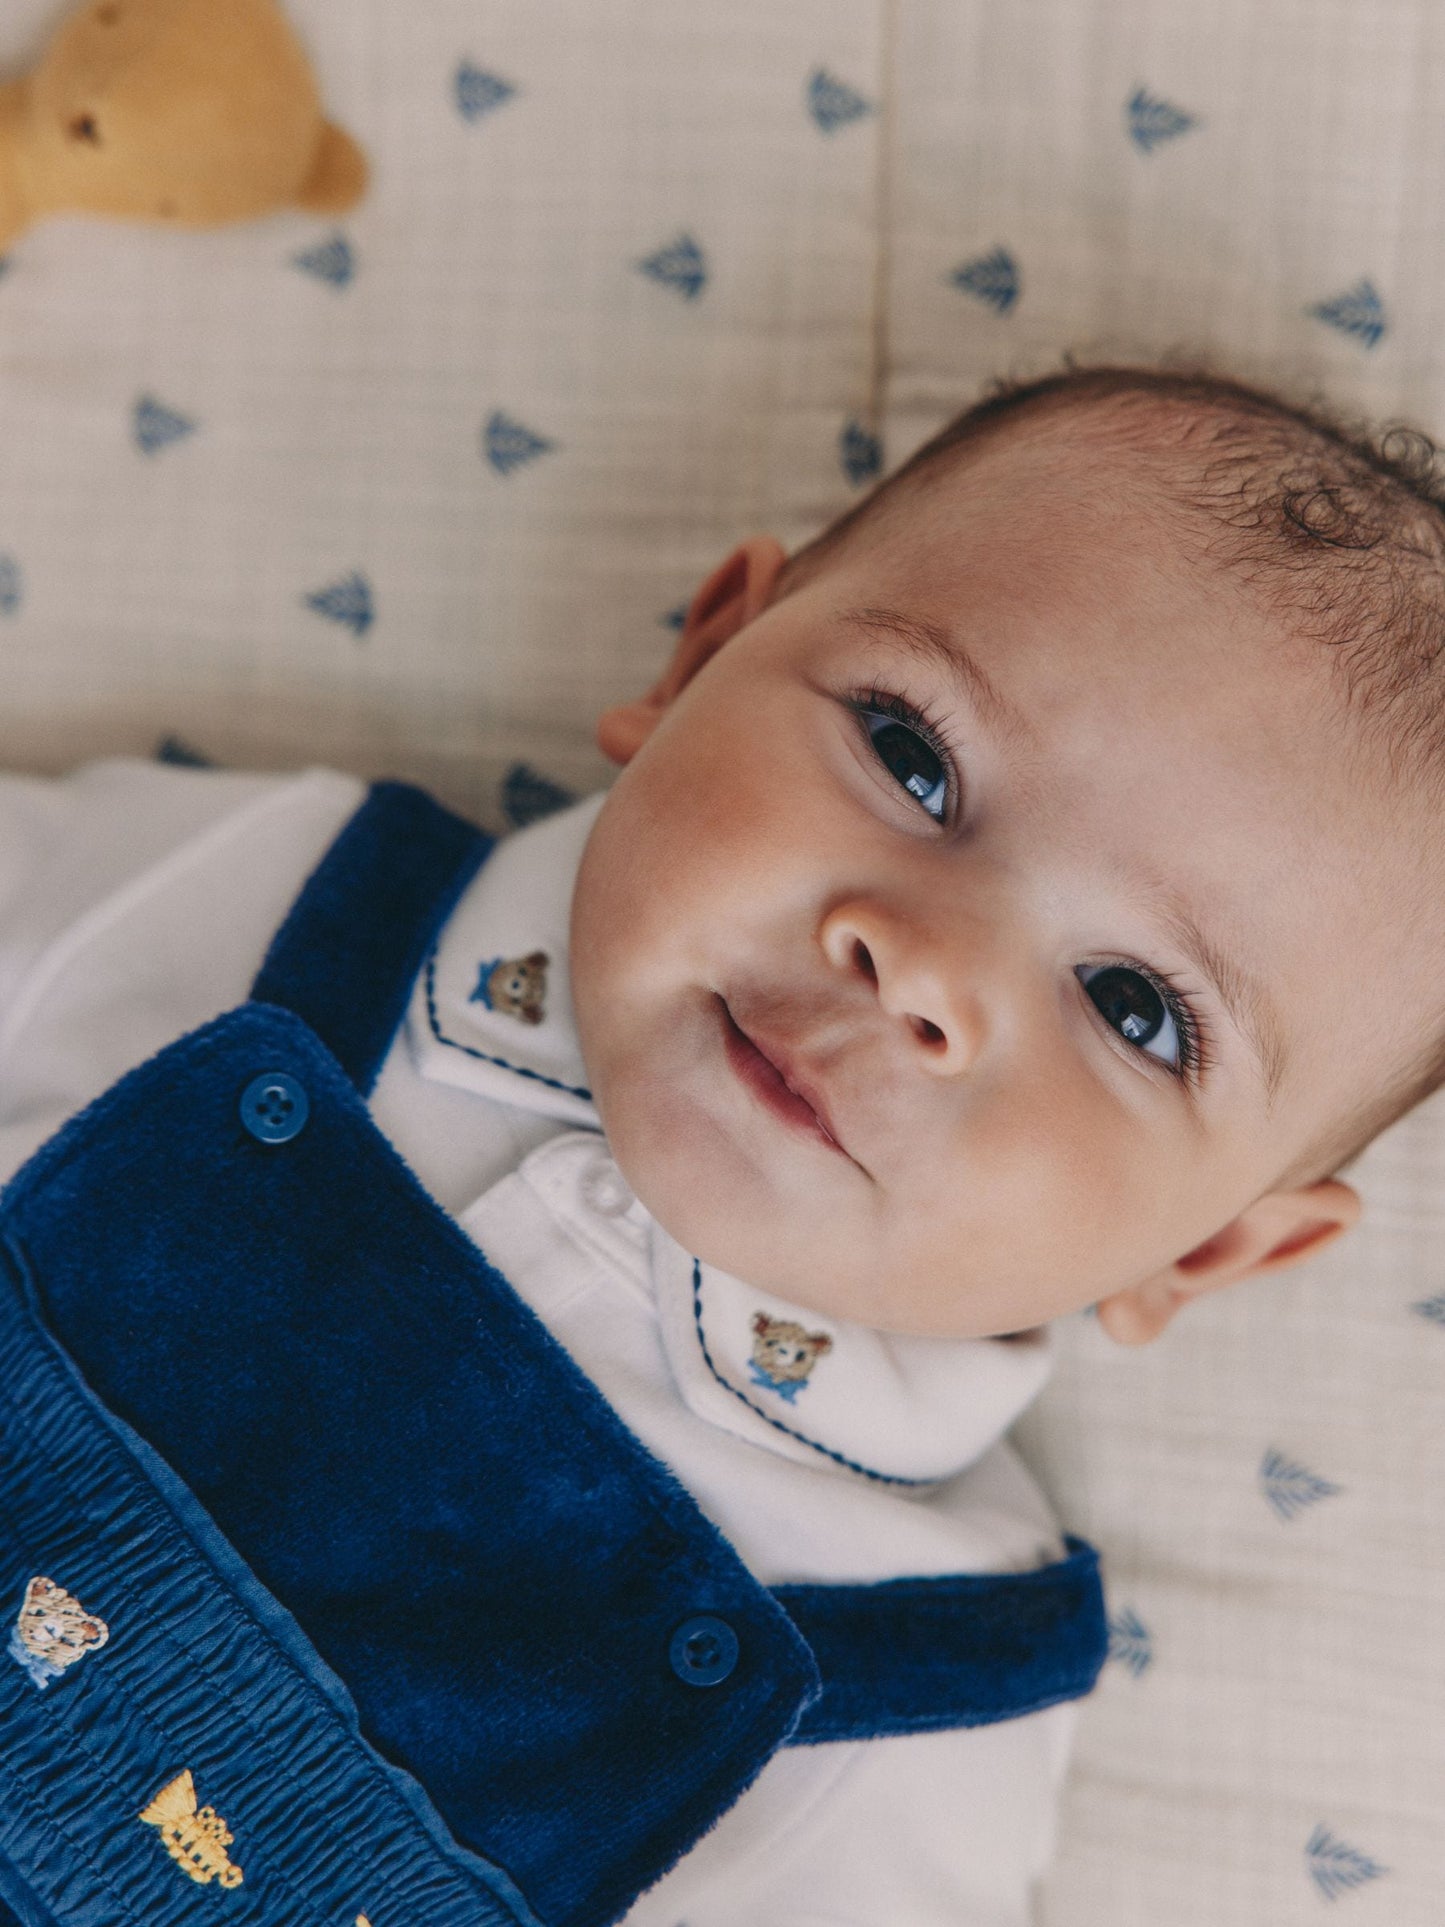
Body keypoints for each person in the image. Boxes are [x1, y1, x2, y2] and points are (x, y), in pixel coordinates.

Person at [0, 362, 1440, 1927]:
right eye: (911, 759)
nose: (925, 969)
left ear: (1213, 1246)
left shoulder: (922, 1692)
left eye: (1132, 1008)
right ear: (700, 655)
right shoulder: (253, 903)